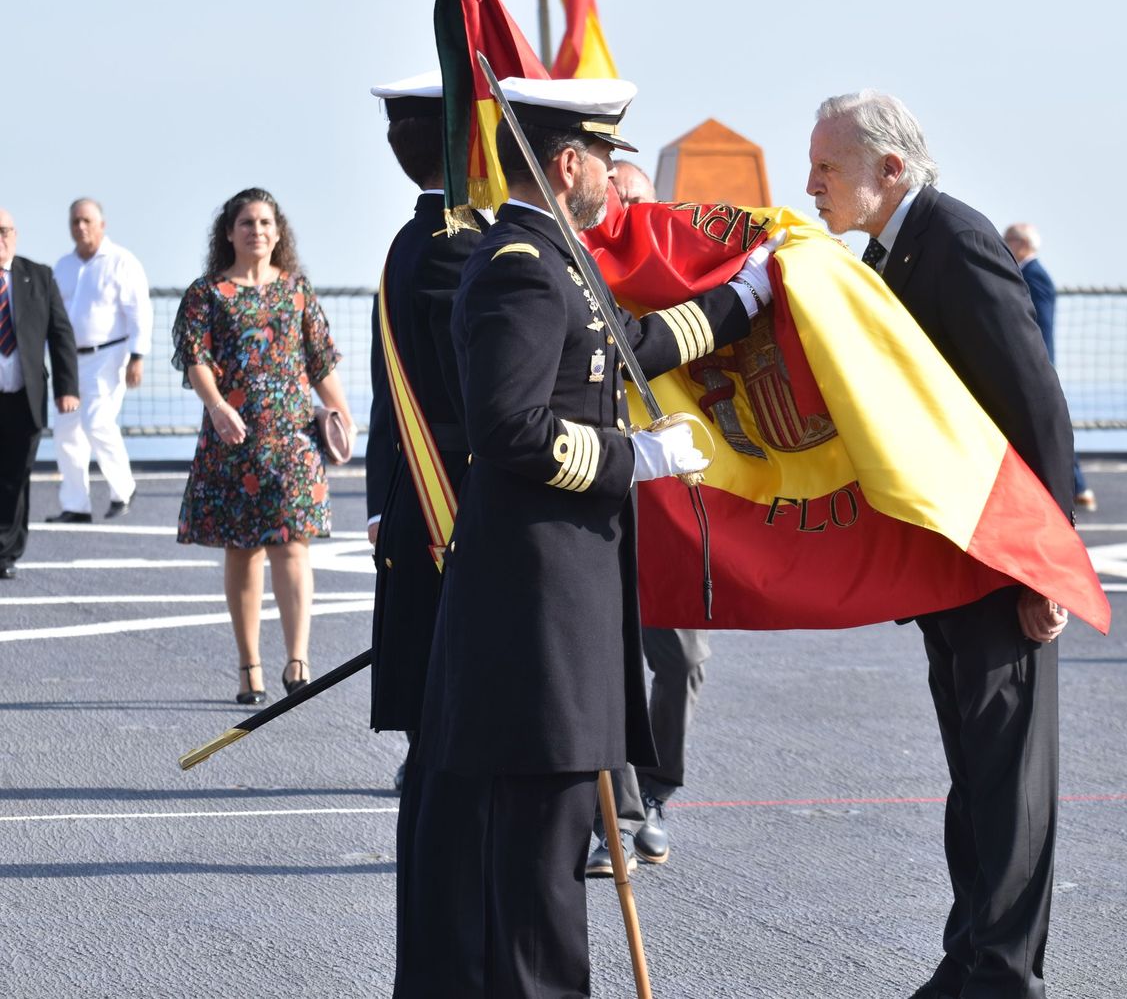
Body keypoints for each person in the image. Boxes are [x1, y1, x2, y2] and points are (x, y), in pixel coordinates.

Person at [403, 76, 778, 998]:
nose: (615, 178)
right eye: (607, 159)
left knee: (548, 841)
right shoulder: (525, 269)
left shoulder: (549, 258)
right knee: (537, 856)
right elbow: (510, 429)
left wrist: (748, 297)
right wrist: (635, 457)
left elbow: (628, 347)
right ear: (568, 162)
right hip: (537, 608)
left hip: (556, 599)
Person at [807, 90, 1077, 999]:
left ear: (890, 170)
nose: (811, 185)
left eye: (826, 168)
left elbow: (1032, 397)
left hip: (1000, 559)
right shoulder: (888, 253)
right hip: (947, 562)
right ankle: (970, 960)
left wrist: (1050, 563)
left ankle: (1004, 976)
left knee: (1007, 785)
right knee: (974, 777)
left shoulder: (954, 239)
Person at [361, 70, 489, 988]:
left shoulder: (416, 239)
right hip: (461, 522)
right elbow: (474, 402)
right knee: (459, 764)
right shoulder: (458, 248)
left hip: (423, 512)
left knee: (445, 765)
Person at [582, 158, 714, 878]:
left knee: (683, 659)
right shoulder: (579, 275)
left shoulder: (679, 278)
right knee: (609, 659)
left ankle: (658, 790)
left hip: (677, 497)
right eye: (616, 200)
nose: (626, 212)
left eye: (639, 202)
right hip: (607, 486)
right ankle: (621, 817)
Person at [172, 188, 352, 706]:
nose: (257, 231)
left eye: (266, 222)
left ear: (279, 232)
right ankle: (250, 664)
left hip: (292, 440)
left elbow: (320, 362)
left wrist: (342, 417)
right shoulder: (207, 293)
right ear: (228, 232)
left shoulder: (296, 291)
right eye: (247, 222)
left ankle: (298, 660)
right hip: (233, 439)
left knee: (294, 546)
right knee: (243, 549)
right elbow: (196, 358)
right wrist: (216, 406)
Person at [47, 198, 150, 522]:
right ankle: (75, 505)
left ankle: (124, 489)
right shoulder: (62, 266)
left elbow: (140, 312)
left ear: (101, 225)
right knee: (65, 431)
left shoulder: (122, 262)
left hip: (109, 355)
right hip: (68, 360)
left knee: (97, 422)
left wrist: (137, 356)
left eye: (86, 221)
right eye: (75, 221)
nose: (80, 227)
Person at [0, 209, 78, 580]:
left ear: (15, 234)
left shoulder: (39, 276)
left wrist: (67, 388)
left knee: (16, 476)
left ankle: (6, 553)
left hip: (24, 395)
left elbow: (60, 334)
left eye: (4, 231)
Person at [1003, 222, 1094, 512]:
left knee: (1047, 426)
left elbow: (1039, 323)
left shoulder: (1034, 276)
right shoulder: (1030, 273)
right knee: (1048, 426)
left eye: (1007, 240)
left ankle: (1076, 486)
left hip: (1035, 363)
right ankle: (1077, 487)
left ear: (1020, 244)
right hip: (1037, 363)